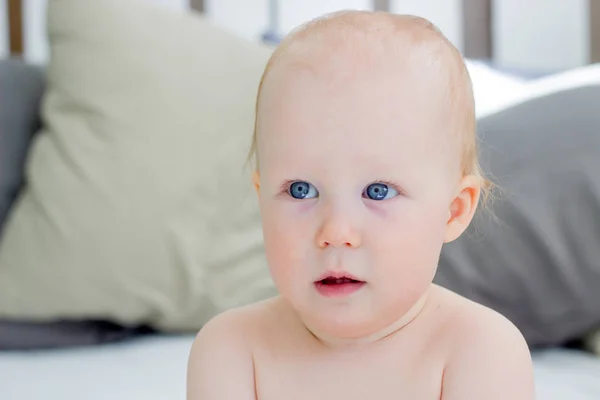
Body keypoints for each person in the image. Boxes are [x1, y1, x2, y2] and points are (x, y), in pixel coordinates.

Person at [187, 10, 535, 399]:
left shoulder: (479, 351)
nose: (335, 232)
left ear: (453, 211)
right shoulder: (233, 350)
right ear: (261, 198)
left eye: (377, 191)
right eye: (301, 190)